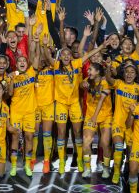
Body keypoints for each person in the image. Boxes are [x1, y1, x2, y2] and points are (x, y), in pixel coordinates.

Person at [42, 34, 108, 174]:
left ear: (71, 56)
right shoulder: (56, 65)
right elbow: (47, 56)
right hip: (60, 104)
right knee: (61, 132)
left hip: (74, 104)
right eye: (63, 54)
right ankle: (61, 162)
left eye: (68, 54)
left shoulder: (76, 63)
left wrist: (101, 46)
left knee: (78, 133)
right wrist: (45, 45)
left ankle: (79, 161)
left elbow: (89, 53)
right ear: (60, 57)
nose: (66, 56)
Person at [7, 23, 40, 177]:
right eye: (19, 61)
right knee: (14, 136)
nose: (21, 62)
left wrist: (33, 33)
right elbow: (9, 93)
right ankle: (14, 166)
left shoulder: (32, 72)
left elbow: (33, 51)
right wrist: (12, 80)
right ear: (17, 64)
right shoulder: (12, 76)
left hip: (29, 112)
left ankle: (27, 165)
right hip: (16, 110)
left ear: (27, 64)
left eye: (24, 61)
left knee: (29, 137)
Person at [105, 63, 139, 184]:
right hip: (118, 122)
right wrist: (108, 68)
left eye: (132, 72)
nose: (129, 74)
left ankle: (128, 170)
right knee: (119, 147)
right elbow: (109, 79)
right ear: (124, 74)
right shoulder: (119, 84)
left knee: (131, 152)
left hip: (131, 125)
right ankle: (116, 171)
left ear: (136, 74)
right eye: (127, 72)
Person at [81, 63, 112, 179]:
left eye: (91, 70)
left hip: (105, 115)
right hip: (90, 115)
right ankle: (87, 168)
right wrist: (82, 85)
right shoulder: (87, 80)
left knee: (104, 143)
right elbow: (81, 85)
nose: (88, 72)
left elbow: (100, 101)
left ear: (98, 72)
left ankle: (106, 168)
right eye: (88, 70)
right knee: (86, 141)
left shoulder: (105, 83)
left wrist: (95, 117)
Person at [31, 47, 55, 173]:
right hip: (35, 106)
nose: (43, 58)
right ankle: (32, 159)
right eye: (40, 56)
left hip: (49, 105)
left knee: (46, 134)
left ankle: (46, 161)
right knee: (34, 134)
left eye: (47, 55)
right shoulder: (32, 70)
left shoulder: (54, 69)